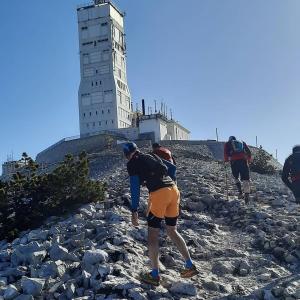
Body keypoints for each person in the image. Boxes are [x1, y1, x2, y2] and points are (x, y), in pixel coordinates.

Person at [123, 142, 198, 286]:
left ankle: (155, 275)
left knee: (152, 235)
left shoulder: (132, 163)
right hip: (174, 190)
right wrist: (169, 189)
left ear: (127, 154)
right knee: (172, 230)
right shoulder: (151, 155)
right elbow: (172, 167)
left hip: (160, 193)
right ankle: (189, 266)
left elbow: (134, 188)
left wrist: (134, 210)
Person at [224, 136, 252, 203]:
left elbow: (225, 154)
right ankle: (247, 196)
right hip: (243, 162)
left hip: (234, 163)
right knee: (246, 179)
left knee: (236, 177)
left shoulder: (228, 143)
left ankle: (240, 192)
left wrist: (226, 160)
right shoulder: (242, 142)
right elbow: (248, 152)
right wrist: (249, 160)